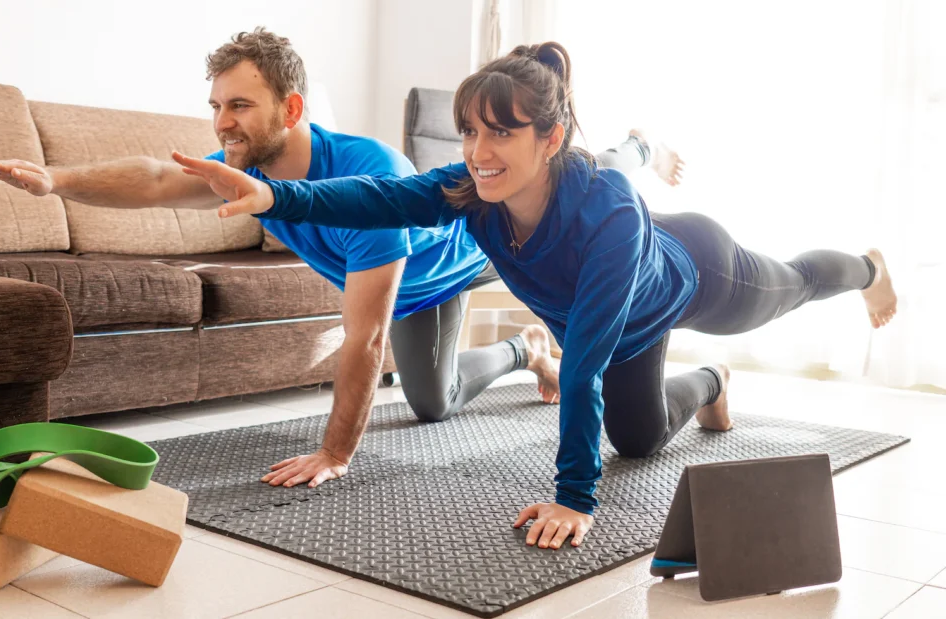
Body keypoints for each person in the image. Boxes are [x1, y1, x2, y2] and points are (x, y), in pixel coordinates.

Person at [175, 41, 899, 551]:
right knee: (639, 438)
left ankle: (867, 268)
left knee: (791, 288)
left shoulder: (608, 208)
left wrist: (575, 498)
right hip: (627, 327)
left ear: (549, 139)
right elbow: (381, 196)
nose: (478, 151)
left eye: (501, 133)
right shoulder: (474, 191)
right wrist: (274, 192)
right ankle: (712, 381)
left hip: (695, 271)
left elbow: (580, 363)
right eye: (468, 133)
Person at [0, 28, 653, 494]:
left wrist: (336, 452)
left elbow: (366, 335)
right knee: (436, 401)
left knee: (430, 403)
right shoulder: (248, 172)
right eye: (215, 105)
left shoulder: (366, 171)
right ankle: (525, 346)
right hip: (399, 280)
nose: (220, 122)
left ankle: (632, 155)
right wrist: (58, 180)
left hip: (446, 266)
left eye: (239, 104)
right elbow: (151, 178)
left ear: (290, 108)